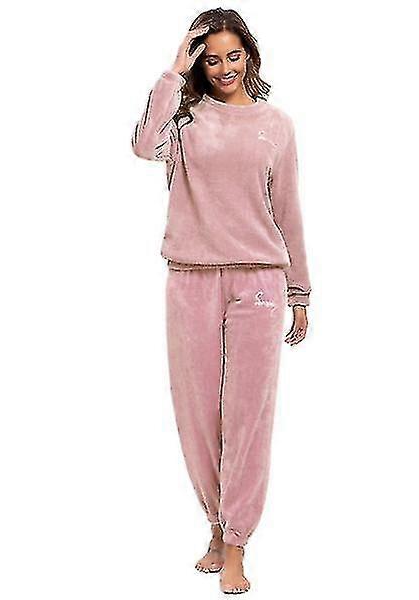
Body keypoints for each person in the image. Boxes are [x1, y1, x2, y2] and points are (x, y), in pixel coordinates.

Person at [131, 8, 312, 594]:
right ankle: (215, 523)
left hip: (259, 281)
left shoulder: (276, 125)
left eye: (234, 56)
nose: (224, 68)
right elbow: (143, 146)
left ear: (250, 57)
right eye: (211, 59)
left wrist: (300, 291)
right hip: (190, 278)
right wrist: (172, 71)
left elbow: (288, 209)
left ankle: (237, 543)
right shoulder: (183, 120)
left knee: (248, 416)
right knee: (197, 416)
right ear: (198, 64)